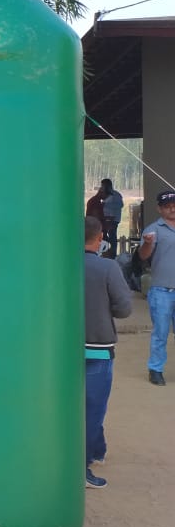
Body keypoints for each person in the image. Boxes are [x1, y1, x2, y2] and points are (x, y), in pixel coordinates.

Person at [83, 216, 132, 489]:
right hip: (98, 349)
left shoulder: (58, 267)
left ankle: (98, 450)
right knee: (93, 408)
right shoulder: (107, 267)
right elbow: (124, 308)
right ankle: (83, 465)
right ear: (100, 238)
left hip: (60, 350)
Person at [138, 189, 175, 386]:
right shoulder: (153, 230)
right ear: (159, 209)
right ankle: (156, 369)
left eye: (174, 205)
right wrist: (147, 244)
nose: (172, 209)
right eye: (167, 206)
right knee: (160, 332)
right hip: (162, 290)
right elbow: (144, 256)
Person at [99, 179, 125, 258]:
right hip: (105, 220)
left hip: (113, 220)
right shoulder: (105, 195)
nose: (102, 187)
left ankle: (112, 255)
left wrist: (105, 205)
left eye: (103, 185)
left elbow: (120, 205)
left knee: (112, 237)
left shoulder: (116, 194)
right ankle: (105, 253)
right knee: (104, 237)